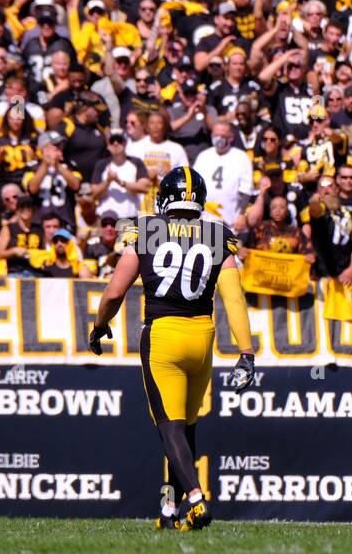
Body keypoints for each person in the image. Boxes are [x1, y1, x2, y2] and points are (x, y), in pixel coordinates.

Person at [88, 167, 256, 531]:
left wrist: (100, 325)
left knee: (170, 428)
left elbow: (115, 291)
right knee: (185, 430)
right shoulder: (217, 234)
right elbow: (233, 298)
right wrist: (246, 352)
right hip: (203, 336)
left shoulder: (146, 229)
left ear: (165, 197)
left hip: (163, 336)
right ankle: (168, 511)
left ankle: (195, 499)